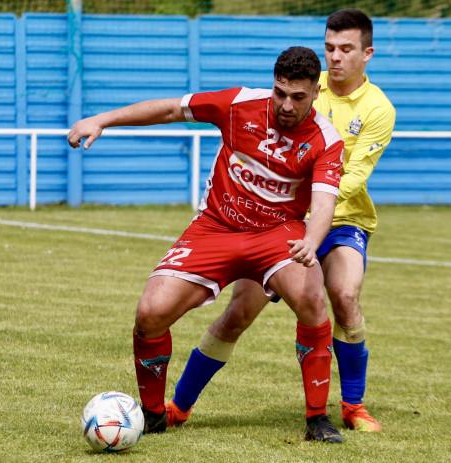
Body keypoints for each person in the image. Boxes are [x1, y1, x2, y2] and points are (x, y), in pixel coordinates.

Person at [68, 46, 346, 442]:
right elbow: (168, 109)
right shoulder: (239, 104)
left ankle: (317, 418)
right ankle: (152, 414)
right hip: (215, 227)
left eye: (297, 96)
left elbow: (323, 204)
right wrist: (102, 120)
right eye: (279, 92)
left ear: (316, 92)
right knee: (150, 312)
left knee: (313, 300)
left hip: (277, 234)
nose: (285, 104)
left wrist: (311, 241)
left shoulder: (326, 140)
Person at [165, 9, 396, 433]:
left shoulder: (379, 109)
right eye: (329, 47)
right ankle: (179, 406)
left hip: (343, 221)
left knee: (343, 296)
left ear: (367, 54)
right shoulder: (304, 85)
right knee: (238, 313)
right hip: (280, 225)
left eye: (346, 49)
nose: (335, 58)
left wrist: (315, 218)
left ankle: (353, 406)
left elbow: (353, 177)